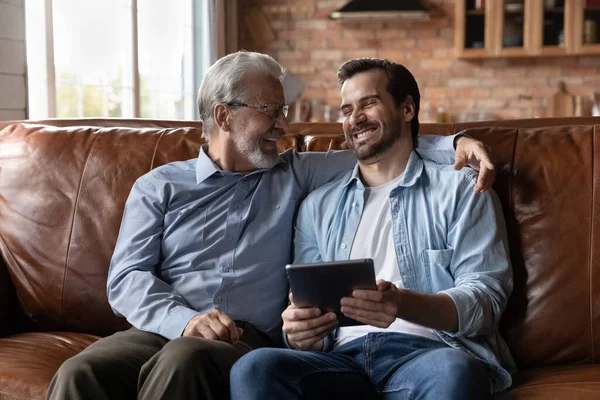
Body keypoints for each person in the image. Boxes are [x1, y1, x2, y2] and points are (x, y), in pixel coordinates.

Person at [46, 51, 498, 400]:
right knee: (78, 372)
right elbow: (127, 278)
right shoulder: (159, 186)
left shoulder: (296, 173)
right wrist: (186, 321)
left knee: (191, 361)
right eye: (271, 111)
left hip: (243, 336)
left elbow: (386, 146)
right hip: (161, 328)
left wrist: (460, 143)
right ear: (224, 116)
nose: (285, 126)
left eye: (283, 111)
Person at [230, 58, 516, 400]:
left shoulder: (461, 190)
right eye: (347, 109)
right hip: (340, 363)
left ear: (407, 108)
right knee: (254, 368)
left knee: (456, 371)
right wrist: (300, 332)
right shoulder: (317, 207)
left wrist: (402, 304)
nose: (355, 118)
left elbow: (485, 301)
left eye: (369, 103)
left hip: (429, 354)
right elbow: (313, 317)